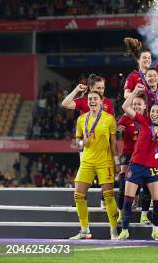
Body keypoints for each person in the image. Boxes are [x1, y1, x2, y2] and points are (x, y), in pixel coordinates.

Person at [118, 84, 158, 240]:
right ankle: (124, 230)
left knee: (157, 202)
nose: (154, 114)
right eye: (153, 111)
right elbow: (125, 106)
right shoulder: (143, 121)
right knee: (128, 201)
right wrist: (135, 91)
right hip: (136, 165)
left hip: (154, 168)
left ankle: (155, 230)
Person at [68, 91, 119, 240]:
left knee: (109, 196)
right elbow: (77, 142)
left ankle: (114, 230)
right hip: (87, 161)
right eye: (90, 99)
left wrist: (117, 162)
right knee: (78, 195)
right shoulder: (81, 119)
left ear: (101, 101)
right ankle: (85, 230)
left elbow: (114, 142)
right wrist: (84, 143)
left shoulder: (109, 119)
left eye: (95, 99)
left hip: (105, 161)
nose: (92, 101)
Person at [115, 94, 146, 221]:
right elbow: (115, 128)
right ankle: (120, 211)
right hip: (128, 153)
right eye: (134, 104)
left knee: (139, 180)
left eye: (139, 104)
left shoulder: (148, 119)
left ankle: (136, 197)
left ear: (144, 106)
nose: (136, 106)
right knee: (123, 179)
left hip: (142, 156)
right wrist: (117, 128)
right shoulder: (126, 117)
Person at [123, 29, 158, 99]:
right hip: (140, 108)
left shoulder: (155, 72)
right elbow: (126, 95)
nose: (147, 60)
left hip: (155, 108)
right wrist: (137, 93)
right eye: (144, 58)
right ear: (138, 60)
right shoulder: (132, 76)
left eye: (149, 58)